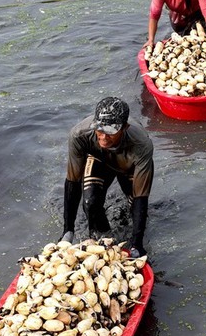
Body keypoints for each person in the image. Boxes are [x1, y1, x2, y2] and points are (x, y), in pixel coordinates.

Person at [60, 97, 154, 258]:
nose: (103, 137)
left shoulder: (141, 144)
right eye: (100, 130)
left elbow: (141, 196)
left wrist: (137, 244)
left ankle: (132, 242)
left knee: (135, 208)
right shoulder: (79, 135)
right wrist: (68, 231)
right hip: (100, 159)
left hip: (129, 164)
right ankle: (103, 239)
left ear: (124, 127)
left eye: (110, 132)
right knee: (90, 203)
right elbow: (73, 182)